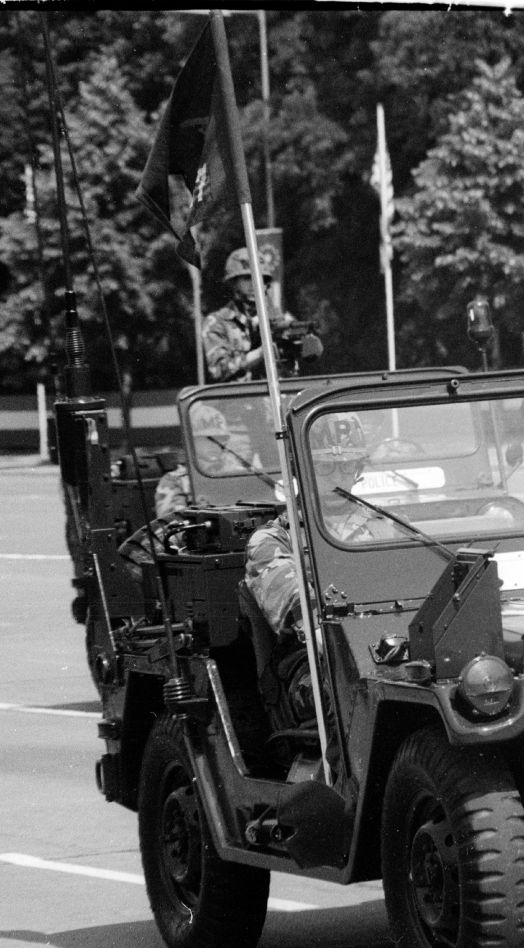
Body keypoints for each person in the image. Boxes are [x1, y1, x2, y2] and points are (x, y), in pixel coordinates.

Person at [244, 412, 390, 760]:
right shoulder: (274, 539)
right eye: (325, 468)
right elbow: (292, 600)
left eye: (347, 466)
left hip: (383, 646)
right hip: (313, 663)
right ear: (301, 471)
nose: (338, 477)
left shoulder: (385, 526)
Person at [202, 247, 321, 383]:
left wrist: (307, 345)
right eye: (247, 278)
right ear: (234, 283)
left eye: (260, 278)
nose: (255, 284)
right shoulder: (217, 322)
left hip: (281, 396)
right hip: (238, 399)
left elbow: (308, 355)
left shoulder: (281, 318)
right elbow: (218, 370)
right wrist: (261, 352)